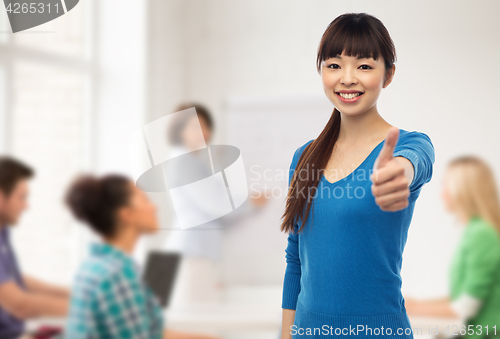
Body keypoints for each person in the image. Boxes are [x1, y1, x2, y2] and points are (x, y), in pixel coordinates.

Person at [280, 13, 435, 339]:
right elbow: (296, 260)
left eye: (364, 66)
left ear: (388, 74)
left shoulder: (408, 145)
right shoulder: (304, 157)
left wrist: (400, 173)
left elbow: (416, 162)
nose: (347, 78)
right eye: (334, 65)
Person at [63, 173, 222, 339]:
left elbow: (151, 333)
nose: (154, 207)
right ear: (127, 215)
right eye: (145, 200)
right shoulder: (118, 276)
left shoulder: (94, 266)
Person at [163, 102, 268, 305]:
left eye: (206, 126)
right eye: (195, 126)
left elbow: (214, 209)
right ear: (180, 130)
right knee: (194, 330)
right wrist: (252, 202)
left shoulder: (191, 162)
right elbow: (216, 204)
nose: (203, 132)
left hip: (191, 256)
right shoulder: (184, 162)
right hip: (189, 258)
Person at [405, 156, 500, 339]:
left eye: (446, 185)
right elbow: (465, 296)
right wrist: (415, 304)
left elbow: (465, 307)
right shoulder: (475, 231)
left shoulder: (481, 234)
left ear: (464, 190)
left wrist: (415, 308)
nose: (443, 193)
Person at [0, 156, 70, 339]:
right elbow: (19, 305)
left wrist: (72, 293)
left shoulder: (3, 232)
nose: (26, 206)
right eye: (21, 198)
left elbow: (13, 280)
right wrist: (88, 308)